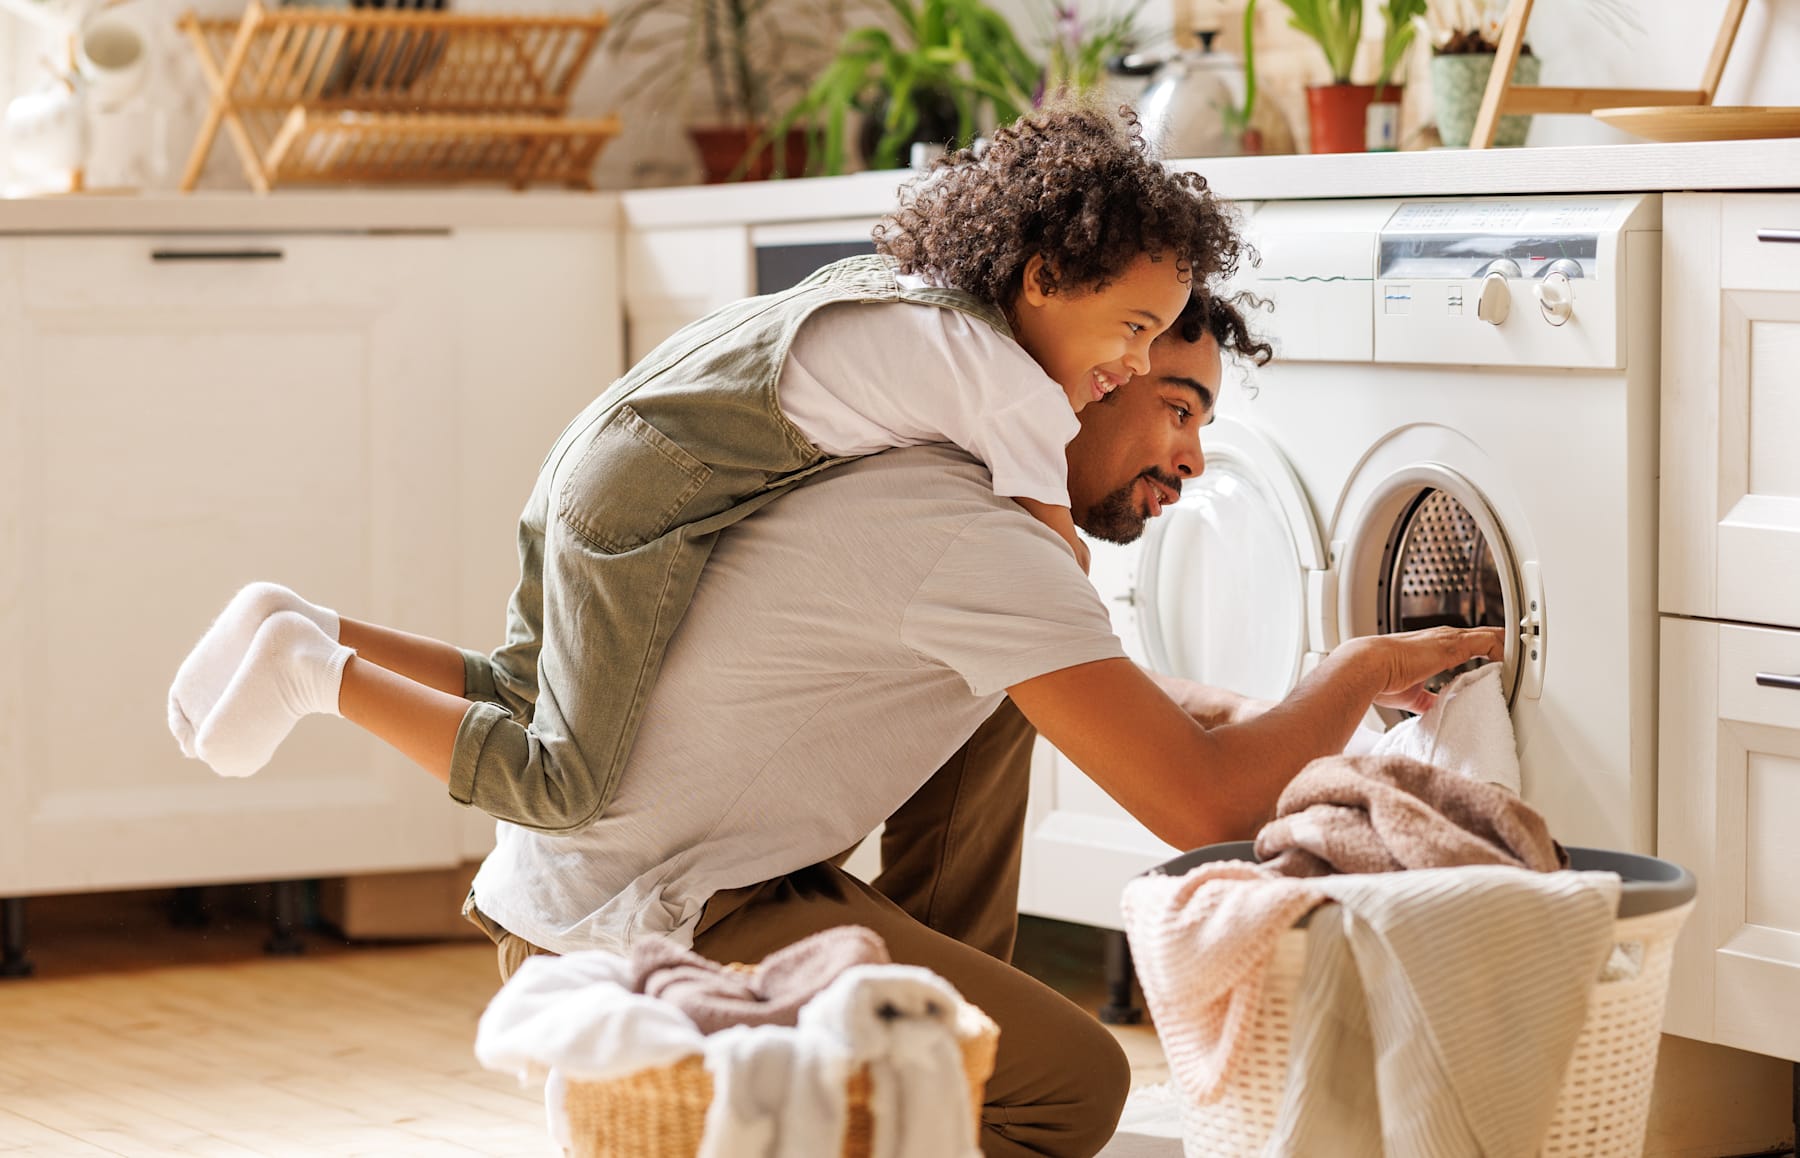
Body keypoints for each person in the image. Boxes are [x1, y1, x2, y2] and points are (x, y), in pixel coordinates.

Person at [330, 291, 1500, 1157]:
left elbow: (1088, 687)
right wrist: (1356, 670)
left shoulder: (946, 488)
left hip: (627, 882)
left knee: (1007, 706)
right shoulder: (976, 542)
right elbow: (1205, 804)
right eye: (1174, 407)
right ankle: (929, 1095)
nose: (1192, 460)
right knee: (1074, 1092)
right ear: (1092, 381)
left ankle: (924, 1069)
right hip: (648, 920)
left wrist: (1264, 711)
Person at [166, 101, 1248, 835]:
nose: (1134, 363)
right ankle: (317, 672)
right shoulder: (1005, 386)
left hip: (598, 464)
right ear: (1047, 276)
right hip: (647, 505)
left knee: (516, 686)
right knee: (563, 785)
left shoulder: (925, 307)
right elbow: (1050, 574)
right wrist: (1159, 706)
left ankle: (304, 616)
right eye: (1136, 329)